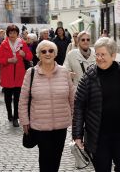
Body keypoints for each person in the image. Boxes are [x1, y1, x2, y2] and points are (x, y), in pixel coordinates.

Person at [73, 37, 120, 172]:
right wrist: (77, 135)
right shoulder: (88, 76)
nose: (99, 58)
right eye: (97, 54)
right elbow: (79, 106)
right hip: (98, 134)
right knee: (102, 168)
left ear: (113, 55)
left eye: (103, 54)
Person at [19, 40, 74, 172]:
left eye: (51, 51)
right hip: (40, 125)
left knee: (56, 158)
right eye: (44, 51)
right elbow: (23, 100)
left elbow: (72, 98)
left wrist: (76, 121)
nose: (47, 53)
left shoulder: (64, 72)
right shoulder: (31, 73)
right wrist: (24, 121)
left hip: (61, 125)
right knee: (45, 158)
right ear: (39, 54)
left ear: (55, 53)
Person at [0, 24, 33, 127]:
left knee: (17, 98)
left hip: (19, 75)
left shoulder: (22, 43)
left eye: (15, 33)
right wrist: (8, 60)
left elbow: (30, 57)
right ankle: (9, 114)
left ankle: (16, 117)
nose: (13, 35)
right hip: (7, 75)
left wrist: (23, 54)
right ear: (8, 33)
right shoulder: (3, 44)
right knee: (8, 98)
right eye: (11, 33)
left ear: (17, 33)